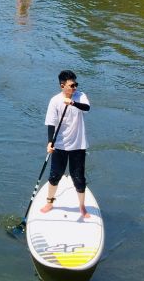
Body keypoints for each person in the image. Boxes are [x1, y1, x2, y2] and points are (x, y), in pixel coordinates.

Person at [40, 70, 92, 218]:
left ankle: (82, 207)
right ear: (62, 86)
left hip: (78, 145)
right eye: (71, 85)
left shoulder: (80, 96)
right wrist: (50, 142)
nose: (74, 87)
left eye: (76, 84)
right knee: (55, 175)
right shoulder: (54, 101)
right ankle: (50, 202)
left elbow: (87, 108)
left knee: (79, 177)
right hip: (60, 145)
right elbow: (51, 123)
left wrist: (73, 103)